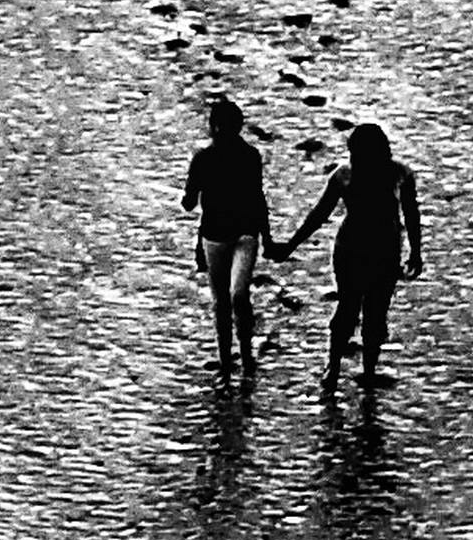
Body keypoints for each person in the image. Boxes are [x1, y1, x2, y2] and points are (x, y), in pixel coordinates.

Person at [281, 120, 423, 397]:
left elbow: (412, 215)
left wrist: (416, 251)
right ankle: (340, 367)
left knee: (370, 312)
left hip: (375, 249)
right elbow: (320, 214)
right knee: (355, 309)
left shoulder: (386, 175)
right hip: (360, 250)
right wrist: (291, 244)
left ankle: (353, 369)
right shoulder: (380, 175)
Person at [177, 96, 275, 366]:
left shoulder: (207, 159)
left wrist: (265, 237)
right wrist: (267, 237)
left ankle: (242, 355)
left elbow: (189, 203)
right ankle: (228, 361)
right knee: (226, 300)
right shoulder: (244, 156)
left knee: (234, 295)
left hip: (237, 234)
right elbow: (257, 198)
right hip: (217, 235)